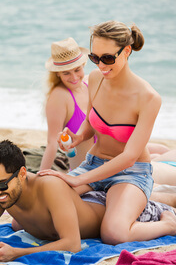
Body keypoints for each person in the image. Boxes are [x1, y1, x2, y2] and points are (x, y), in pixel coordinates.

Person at [37, 20, 169, 245]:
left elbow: (128, 157)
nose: (100, 66)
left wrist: (77, 179)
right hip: (93, 163)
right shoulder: (96, 80)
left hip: (131, 172)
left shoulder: (148, 98)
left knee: (114, 234)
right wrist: (79, 136)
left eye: (107, 58)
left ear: (126, 51)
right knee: (37, 216)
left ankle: (168, 222)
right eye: (94, 58)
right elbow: (91, 120)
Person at [0, 140, 176, 262]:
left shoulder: (49, 186)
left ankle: (169, 223)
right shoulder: (2, 191)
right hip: (78, 201)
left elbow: (71, 244)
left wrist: (16, 253)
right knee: (18, 223)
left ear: (22, 174)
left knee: (164, 201)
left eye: (0, 185)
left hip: (103, 206)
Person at [40, 37, 94, 171]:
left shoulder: (91, 83)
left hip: (108, 163)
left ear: (84, 65)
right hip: (85, 172)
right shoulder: (59, 96)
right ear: (58, 74)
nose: (74, 77)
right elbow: (52, 142)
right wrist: (40, 177)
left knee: (154, 150)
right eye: (66, 73)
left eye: (77, 70)